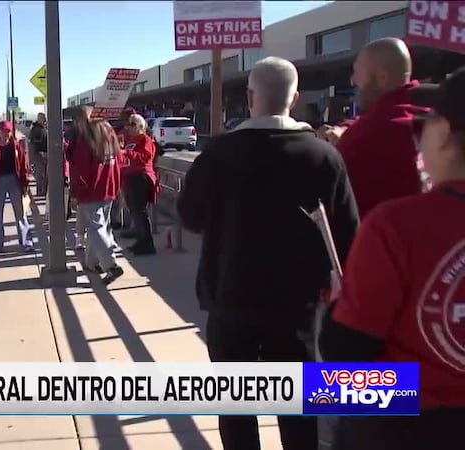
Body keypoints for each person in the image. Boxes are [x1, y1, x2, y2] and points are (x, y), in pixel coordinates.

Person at [177, 57, 360, 450]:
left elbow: (190, 217)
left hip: (229, 298)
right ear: (294, 99)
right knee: (297, 411)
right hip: (297, 307)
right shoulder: (323, 157)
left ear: (249, 97)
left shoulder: (218, 154)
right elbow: (349, 236)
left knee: (236, 408)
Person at [319, 67, 465, 450]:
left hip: (404, 420)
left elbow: (346, 353)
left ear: (446, 133)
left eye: (423, 127)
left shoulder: (396, 225)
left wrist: (338, 307)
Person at [319, 38, 422, 218]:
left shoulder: (365, 137)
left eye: (357, 73)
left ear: (381, 78)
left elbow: (330, 204)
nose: (352, 80)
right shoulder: (438, 117)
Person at [67, 105, 125, 284]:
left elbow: (80, 168)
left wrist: (76, 193)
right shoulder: (109, 132)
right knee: (101, 225)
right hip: (109, 185)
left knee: (97, 227)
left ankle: (111, 265)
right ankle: (93, 262)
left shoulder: (86, 137)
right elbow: (119, 159)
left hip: (92, 189)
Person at [0, 120, 34, 253]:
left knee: (21, 213)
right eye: (3, 131)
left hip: (14, 181)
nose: (6, 134)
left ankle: (26, 243)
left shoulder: (16, 147)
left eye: (8, 131)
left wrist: (25, 184)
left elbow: (24, 166)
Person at [120, 113, 158, 255]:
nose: (129, 127)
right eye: (129, 124)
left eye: (133, 124)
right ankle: (140, 240)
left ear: (141, 127)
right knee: (135, 212)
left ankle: (147, 244)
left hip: (141, 177)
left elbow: (145, 157)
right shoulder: (130, 139)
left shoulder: (145, 140)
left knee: (140, 212)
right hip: (130, 177)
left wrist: (128, 153)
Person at [29, 112, 49, 196]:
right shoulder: (35, 129)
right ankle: (40, 192)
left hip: (45, 153)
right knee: (40, 174)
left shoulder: (43, 128)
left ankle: (43, 191)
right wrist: (41, 152)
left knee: (45, 174)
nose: (44, 120)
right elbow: (34, 142)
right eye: (43, 118)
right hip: (38, 154)